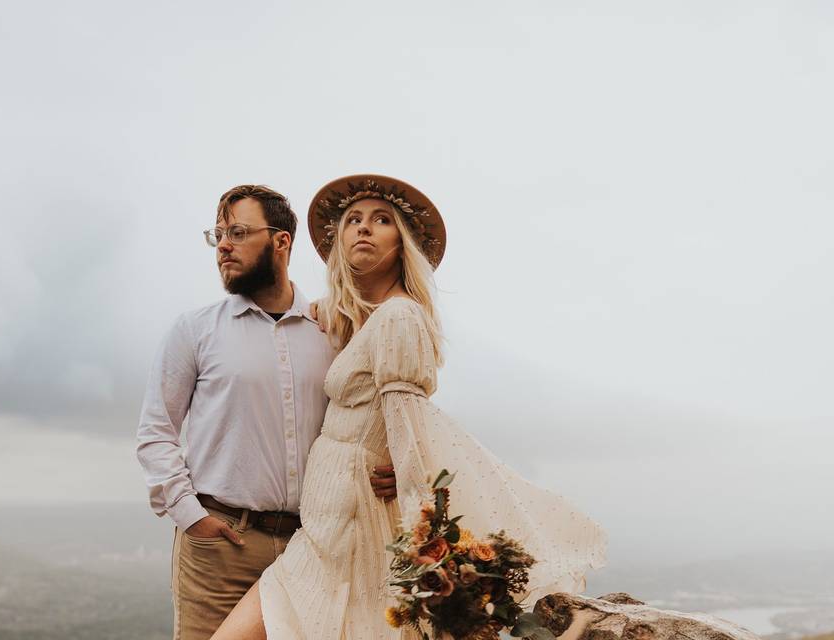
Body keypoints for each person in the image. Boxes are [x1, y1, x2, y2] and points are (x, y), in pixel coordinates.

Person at [210, 175, 608, 640]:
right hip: (325, 528)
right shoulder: (360, 317)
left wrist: (411, 480)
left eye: (381, 221)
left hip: (354, 532)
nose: (363, 228)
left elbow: (411, 425)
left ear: (402, 244)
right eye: (353, 220)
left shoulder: (399, 317)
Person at [136, 184, 398, 640]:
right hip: (221, 549)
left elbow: (368, 414)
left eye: (237, 232)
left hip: (315, 546)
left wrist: (394, 462)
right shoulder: (195, 330)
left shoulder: (333, 328)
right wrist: (190, 516)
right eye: (216, 234)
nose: (222, 245)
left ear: (281, 242)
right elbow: (156, 433)